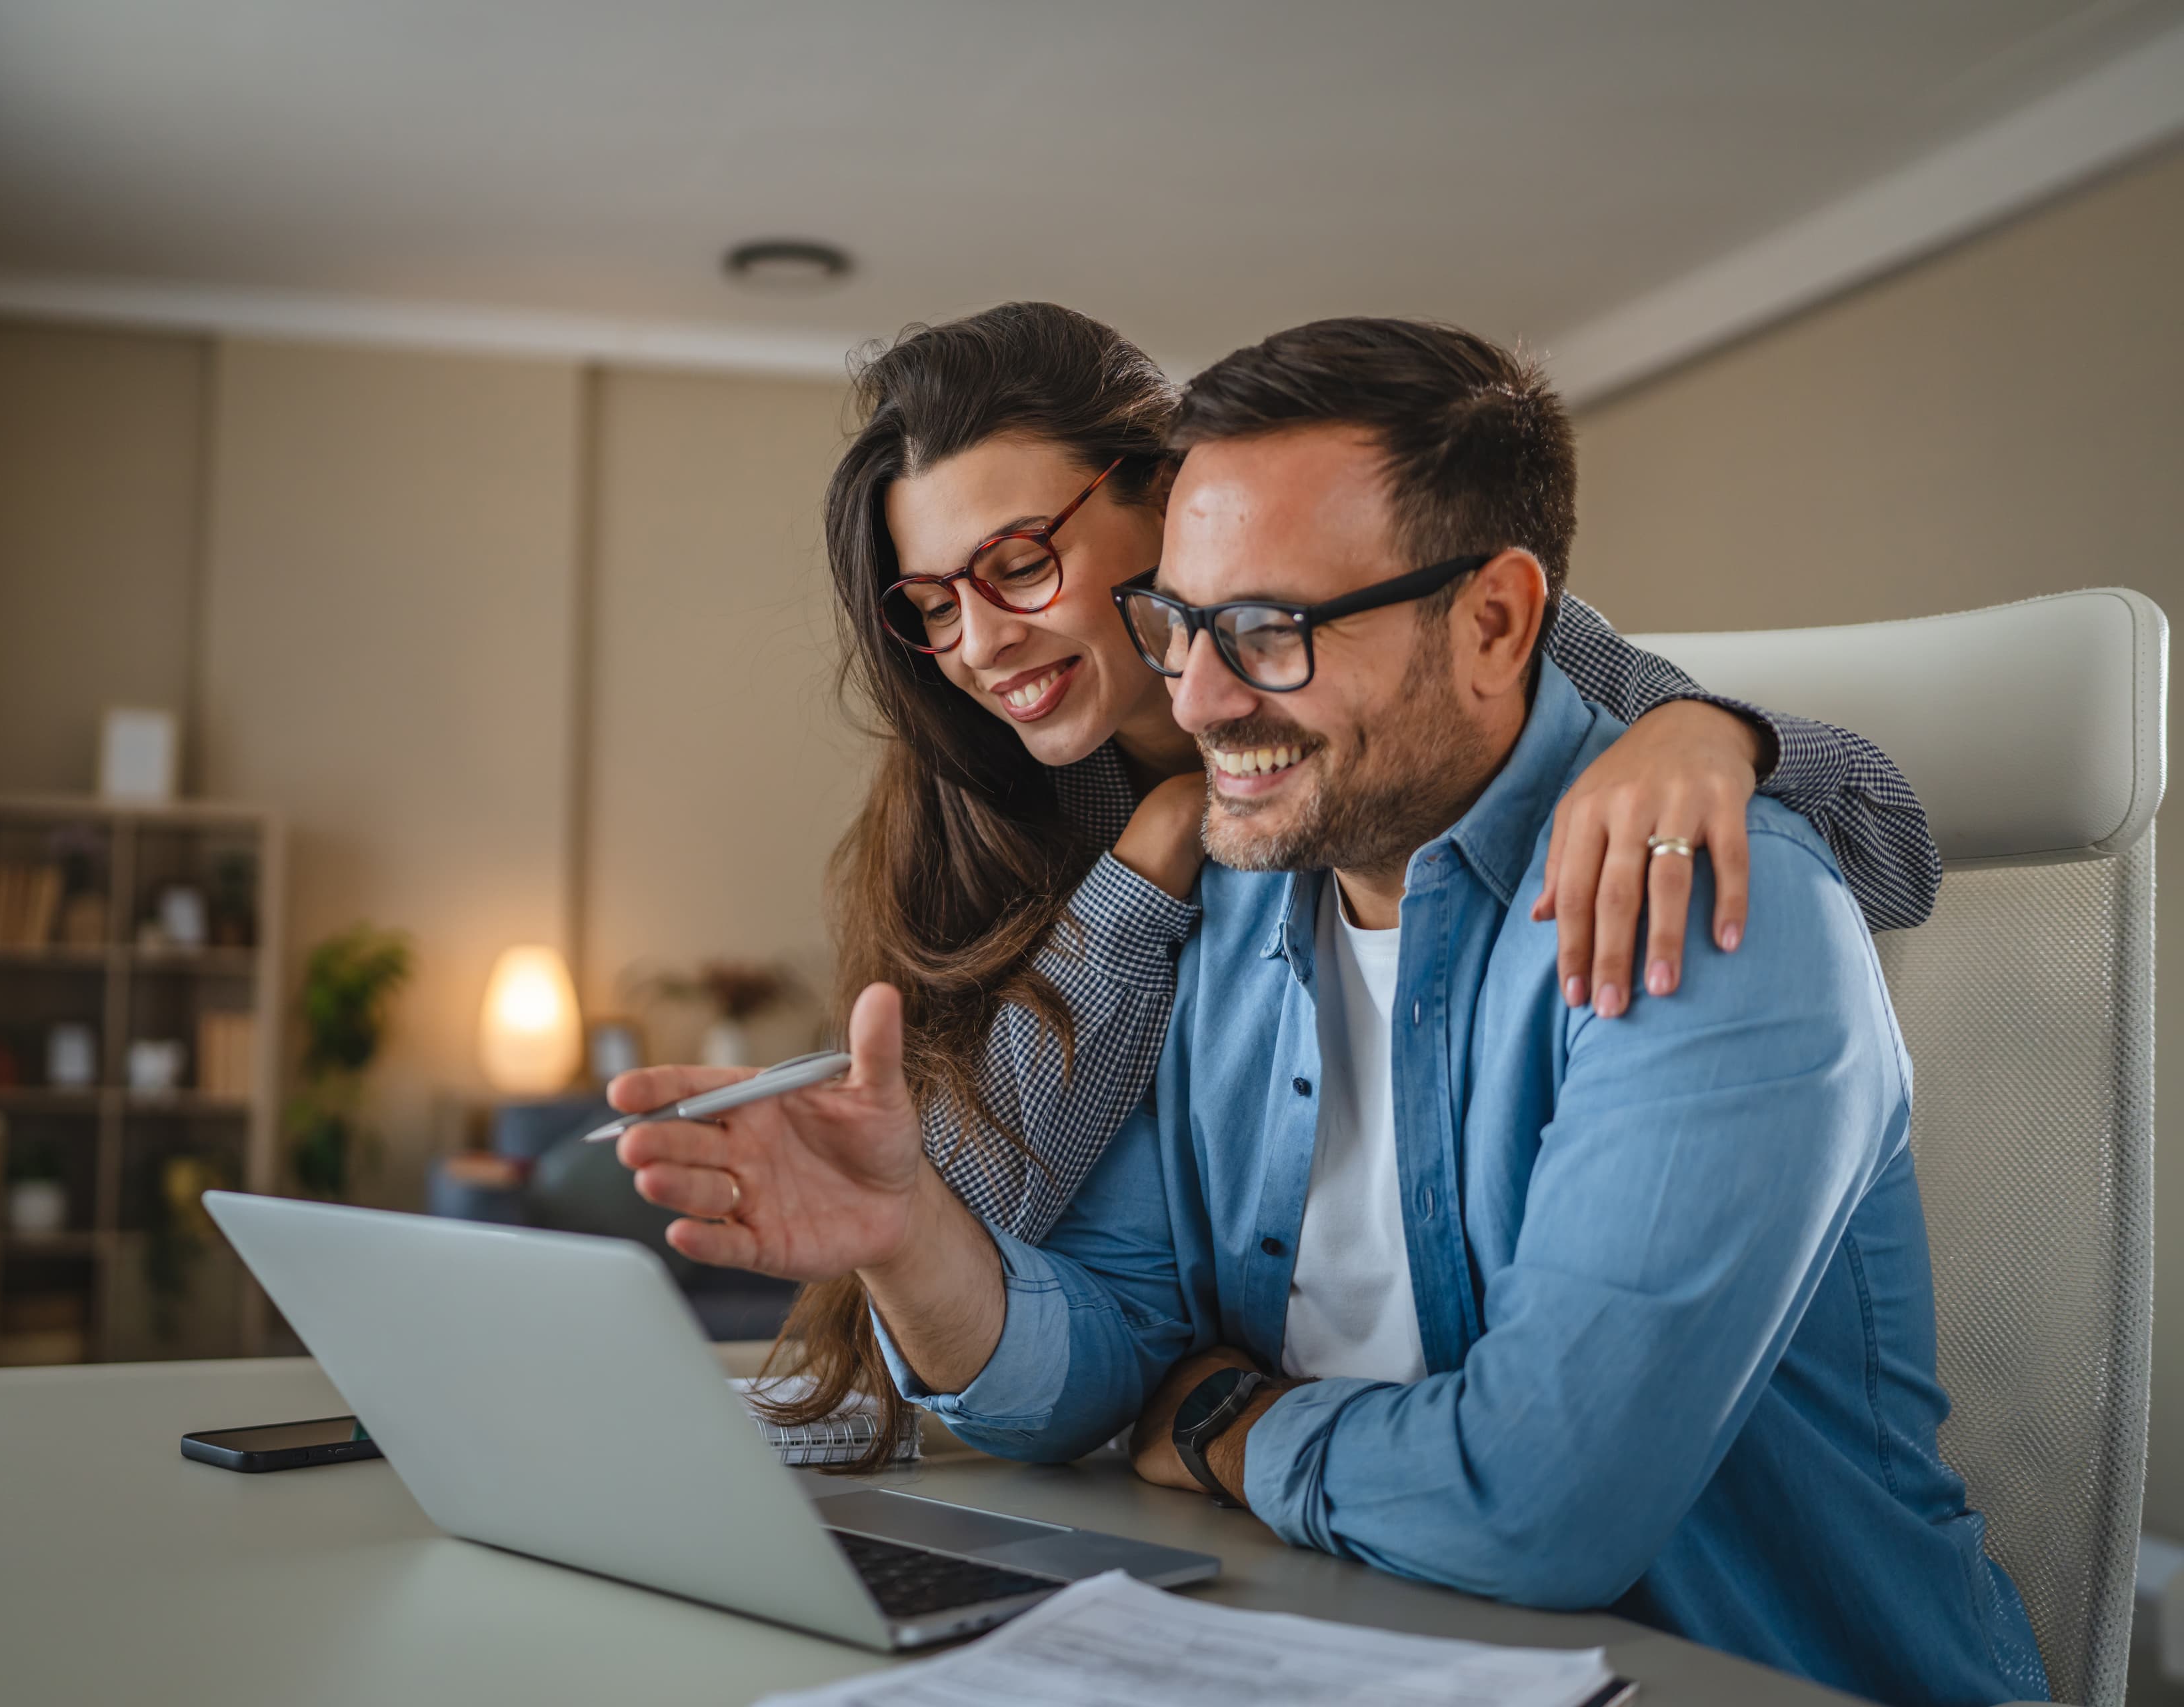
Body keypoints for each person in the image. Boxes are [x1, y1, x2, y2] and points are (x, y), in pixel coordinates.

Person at [613, 319, 2043, 1706]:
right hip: (1365, 1625)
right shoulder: (1213, 873)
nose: (1199, 687)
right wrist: (911, 1227)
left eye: (1270, 630)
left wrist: (1717, 731)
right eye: (1181, 627)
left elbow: (1534, 1501)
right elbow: (1100, 1312)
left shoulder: (1669, 872)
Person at [777, 303, 1940, 1464]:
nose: (978, 644)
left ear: (1172, 502)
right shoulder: (1000, 797)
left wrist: (1707, 734)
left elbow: (1892, 853)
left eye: (1022, 566)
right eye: (932, 608)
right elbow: (965, 1222)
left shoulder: (1468, 645)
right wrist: (1153, 860)